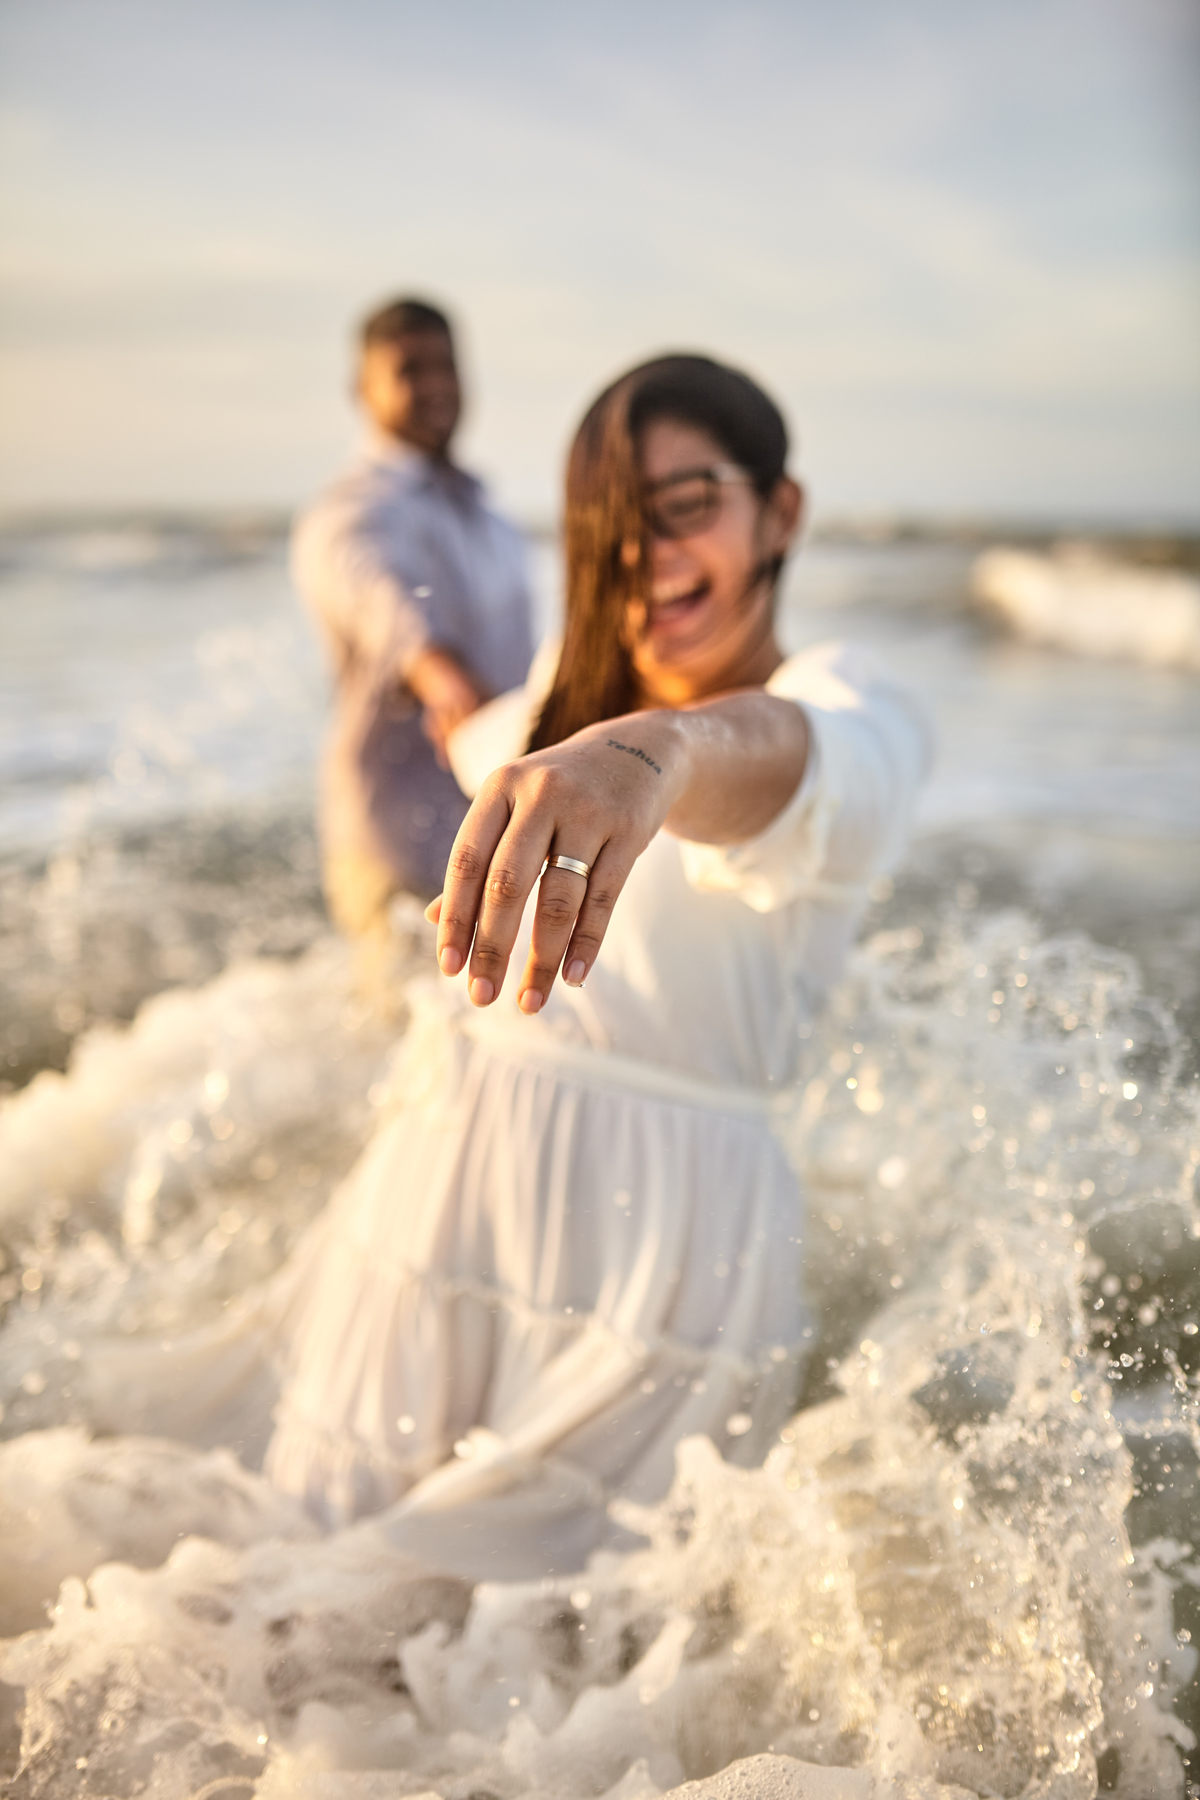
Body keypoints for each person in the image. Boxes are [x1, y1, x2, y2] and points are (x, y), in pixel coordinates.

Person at [264, 353, 933, 1578]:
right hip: (442, 1195)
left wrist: (660, 755)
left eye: (687, 505)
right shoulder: (538, 727)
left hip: (666, 1258)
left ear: (780, 510)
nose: (649, 555)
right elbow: (454, 726)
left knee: (579, 1689)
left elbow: (794, 757)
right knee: (302, 1626)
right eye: (613, 524)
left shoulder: (841, 704)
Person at [292, 296, 534, 938]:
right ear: (361, 390)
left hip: (488, 836)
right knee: (399, 1034)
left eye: (446, 366)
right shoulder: (351, 515)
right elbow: (394, 615)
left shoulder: (489, 515)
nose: (435, 387)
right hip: (395, 850)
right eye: (409, 370)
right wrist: (441, 676)